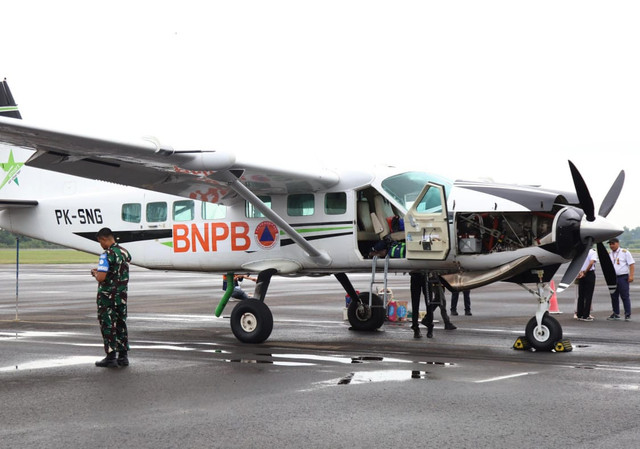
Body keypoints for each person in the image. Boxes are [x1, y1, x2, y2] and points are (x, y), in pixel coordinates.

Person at [90, 227, 132, 368]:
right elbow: (124, 264)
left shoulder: (106, 255)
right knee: (121, 324)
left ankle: (111, 357)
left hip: (107, 297)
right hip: (121, 296)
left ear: (104, 239)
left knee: (108, 325)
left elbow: (101, 277)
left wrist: (95, 273)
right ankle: (123, 356)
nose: (101, 245)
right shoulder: (124, 252)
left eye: (100, 242)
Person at [410, 272, 456, 338]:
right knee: (423, 304)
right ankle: (422, 328)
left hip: (424, 275)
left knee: (427, 304)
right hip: (422, 275)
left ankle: (426, 328)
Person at [606, 237, 635, 321]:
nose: (611, 246)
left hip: (622, 277)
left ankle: (627, 314)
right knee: (614, 296)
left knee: (624, 296)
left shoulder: (625, 252)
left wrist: (631, 276)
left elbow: (631, 264)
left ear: (618, 243)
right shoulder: (609, 254)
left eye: (613, 244)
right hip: (612, 278)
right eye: (610, 244)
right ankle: (616, 313)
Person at [576, 247, 597, 321]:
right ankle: (586, 315)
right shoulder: (592, 252)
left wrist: (581, 272)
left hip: (580, 273)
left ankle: (579, 314)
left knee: (581, 295)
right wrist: (585, 271)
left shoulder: (581, 251)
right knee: (588, 296)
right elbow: (591, 262)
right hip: (588, 274)